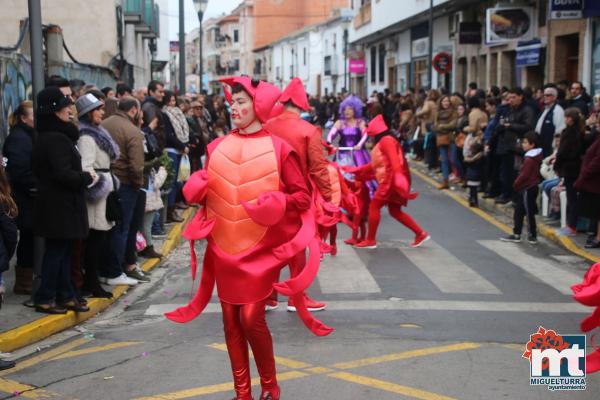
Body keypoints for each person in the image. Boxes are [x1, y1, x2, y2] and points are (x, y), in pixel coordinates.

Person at [165, 76, 333, 400]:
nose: (234, 107)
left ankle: (269, 384)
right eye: (233, 101)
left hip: (260, 250)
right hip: (224, 247)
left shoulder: (281, 149)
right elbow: (213, 196)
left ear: (258, 105)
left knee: (252, 316)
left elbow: (301, 197)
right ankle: (242, 393)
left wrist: (281, 201)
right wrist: (199, 192)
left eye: (241, 101)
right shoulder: (216, 148)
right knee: (230, 321)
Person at [264, 77, 331, 313]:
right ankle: (296, 297)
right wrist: (329, 198)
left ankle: (269, 296)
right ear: (303, 104)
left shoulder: (267, 125)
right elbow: (318, 168)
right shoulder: (309, 130)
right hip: (298, 195)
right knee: (298, 244)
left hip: (269, 195)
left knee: (272, 244)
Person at [32, 87, 92, 314]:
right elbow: (61, 173)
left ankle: (65, 295)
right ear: (53, 111)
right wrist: (85, 177)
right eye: (64, 106)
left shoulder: (57, 136)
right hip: (58, 206)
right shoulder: (54, 139)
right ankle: (45, 297)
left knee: (64, 252)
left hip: (63, 205)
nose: (70, 109)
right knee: (57, 253)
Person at [342, 115, 429, 249]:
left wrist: (399, 177)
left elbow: (394, 161)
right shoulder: (384, 141)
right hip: (392, 179)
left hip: (389, 181)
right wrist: (356, 170)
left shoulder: (386, 141)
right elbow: (376, 165)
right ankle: (420, 233)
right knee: (395, 211)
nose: (368, 134)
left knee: (374, 206)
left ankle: (370, 240)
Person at [76, 94, 120, 298]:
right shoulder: (86, 136)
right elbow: (86, 167)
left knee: (100, 239)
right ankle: (91, 283)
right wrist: (100, 184)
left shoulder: (97, 132)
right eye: (98, 109)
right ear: (88, 113)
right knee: (95, 240)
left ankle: (93, 281)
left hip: (105, 188)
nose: (102, 112)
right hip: (97, 194)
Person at [101, 98, 147, 286]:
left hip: (106, 181)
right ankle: (115, 271)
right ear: (134, 110)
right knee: (122, 229)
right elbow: (137, 166)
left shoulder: (104, 124)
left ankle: (106, 270)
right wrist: (138, 184)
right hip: (126, 184)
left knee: (108, 229)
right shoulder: (132, 130)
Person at [3, 101, 36, 295]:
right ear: (24, 118)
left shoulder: (26, 135)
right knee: (27, 239)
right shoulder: (19, 138)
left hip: (26, 197)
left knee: (28, 239)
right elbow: (19, 171)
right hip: (24, 198)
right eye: (32, 115)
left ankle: (26, 281)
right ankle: (24, 282)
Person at [494, 87, 535, 204]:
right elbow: (501, 124)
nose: (510, 100)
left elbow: (528, 126)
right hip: (507, 146)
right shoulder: (509, 110)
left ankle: (515, 197)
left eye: (513, 97)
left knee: (516, 173)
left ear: (520, 97)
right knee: (506, 172)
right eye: (509, 98)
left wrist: (510, 126)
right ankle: (507, 194)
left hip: (518, 147)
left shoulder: (527, 110)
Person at [501, 132, 543, 244]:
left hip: (528, 188)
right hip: (527, 187)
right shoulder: (533, 157)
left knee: (528, 212)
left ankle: (532, 235)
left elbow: (524, 175)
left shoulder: (530, 159)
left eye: (525, 142)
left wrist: (516, 184)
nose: (523, 145)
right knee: (519, 211)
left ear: (532, 144)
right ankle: (517, 233)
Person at [554, 107, 585, 236]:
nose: (565, 119)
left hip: (569, 168)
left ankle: (572, 226)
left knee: (572, 198)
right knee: (572, 197)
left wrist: (557, 165)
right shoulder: (580, 132)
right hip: (575, 167)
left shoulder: (569, 133)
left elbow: (562, 152)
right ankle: (571, 224)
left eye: (567, 117)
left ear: (570, 119)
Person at [161, 90, 189, 223]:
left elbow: (183, 129)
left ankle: (172, 209)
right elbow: (169, 135)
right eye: (169, 101)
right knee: (171, 183)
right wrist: (182, 146)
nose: (172, 103)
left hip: (179, 150)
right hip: (171, 150)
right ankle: (169, 211)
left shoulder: (178, 113)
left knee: (178, 180)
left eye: (173, 100)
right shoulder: (165, 113)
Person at [575, 132, 600, 248]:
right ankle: (596, 235)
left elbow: (597, 162)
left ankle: (598, 237)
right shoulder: (596, 138)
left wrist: (584, 174)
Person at [432, 95, 457, 189]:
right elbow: (435, 126)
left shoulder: (453, 112)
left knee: (453, 159)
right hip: (441, 138)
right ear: (441, 103)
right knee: (444, 160)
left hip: (451, 138)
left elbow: (453, 125)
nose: (446, 103)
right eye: (444, 101)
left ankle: (460, 176)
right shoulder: (437, 113)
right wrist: (443, 127)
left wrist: (442, 127)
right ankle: (445, 181)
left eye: (447, 101)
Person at [535, 87, 566, 157]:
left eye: (548, 95)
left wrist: (555, 149)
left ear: (554, 97)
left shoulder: (558, 110)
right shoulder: (545, 109)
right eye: (544, 95)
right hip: (541, 146)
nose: (545, 97)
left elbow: (560, 131)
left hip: (550, 148)